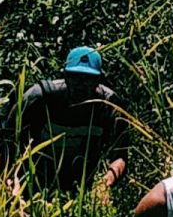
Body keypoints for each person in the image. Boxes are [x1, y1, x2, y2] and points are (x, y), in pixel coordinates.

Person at [12, 45, 130, 194]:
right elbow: (9, 141)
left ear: (99, 80)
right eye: (75, 77)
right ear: (65, 76)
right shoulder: (40, 97)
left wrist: (103, 186)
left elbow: (119, 156)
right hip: (36, 180)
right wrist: (12, 181)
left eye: (88, 79)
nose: (81, 85)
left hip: (82, 185)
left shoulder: (110, 106)